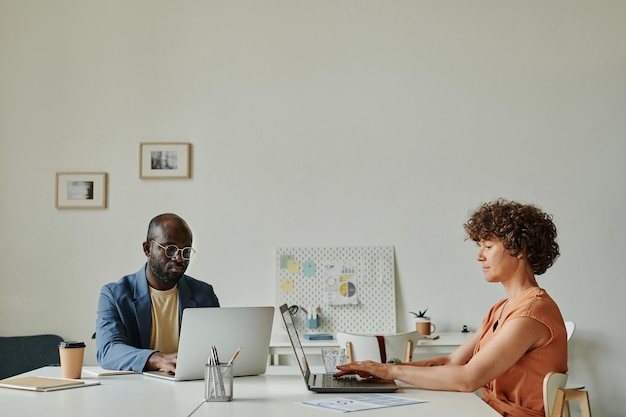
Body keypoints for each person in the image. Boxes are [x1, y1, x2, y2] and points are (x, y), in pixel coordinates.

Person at [335, 199, 567, 417]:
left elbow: (468, 379)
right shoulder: (502, 309)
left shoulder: (532, 313)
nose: (479, 256)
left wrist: (392, 373)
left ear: (521, 250)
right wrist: (382, 369)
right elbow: (453, 361)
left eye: (488, 246)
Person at [96, 213, 220, 373]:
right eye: (170, 249)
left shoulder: (203, 293)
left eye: (186, 251)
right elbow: (107, 350)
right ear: (148, 249)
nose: (179, 258)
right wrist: (158, 359)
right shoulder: (114, 294)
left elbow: (217, 346)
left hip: (190, 385)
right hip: (136, 388)